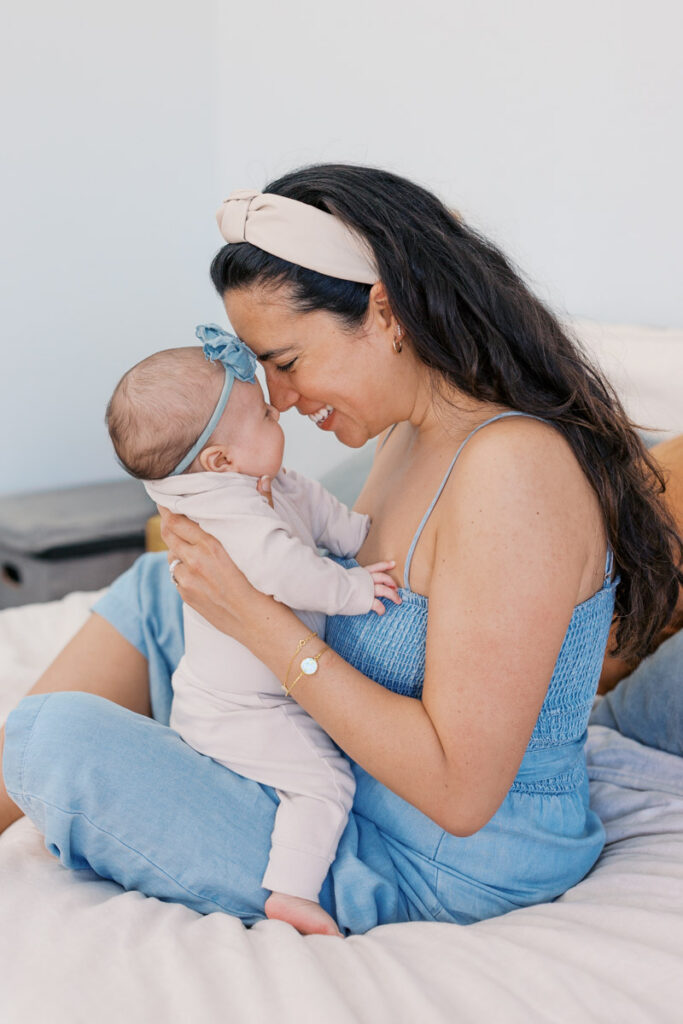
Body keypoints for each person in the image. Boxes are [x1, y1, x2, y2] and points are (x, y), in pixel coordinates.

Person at [1, 165, 681, 938]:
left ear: (385, 312)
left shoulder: (512, 471)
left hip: (442, 861)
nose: (281, 402)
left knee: (51, 738)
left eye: (287, 364)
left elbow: (461, 797)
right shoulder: (406, 434)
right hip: (350, 780)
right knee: (162, 585)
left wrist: (259, 621)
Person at [106, 323, 400, 936]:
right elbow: (284, 569)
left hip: (255, 695)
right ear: (220, 461)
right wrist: (351, 587)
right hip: (241, 711)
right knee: (324, 780)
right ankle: (290, 892)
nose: (281, 415)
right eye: (266, 415)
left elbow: (311, 506)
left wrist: (351, 535)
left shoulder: (258, 481)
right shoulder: (229, 514)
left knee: (312, 770)